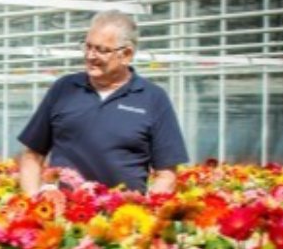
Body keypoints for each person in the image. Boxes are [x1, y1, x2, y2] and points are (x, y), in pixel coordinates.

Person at [18, 10, 188, 195]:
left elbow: (166, 175)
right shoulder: (64, 89)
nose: (90, 56)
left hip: (122, 218)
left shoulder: (153, 98)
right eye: (88, 46)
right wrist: (32, 202)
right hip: (63, 217)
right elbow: (32, 155)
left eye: (101, 50)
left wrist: (146, 212)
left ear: (127, 55)